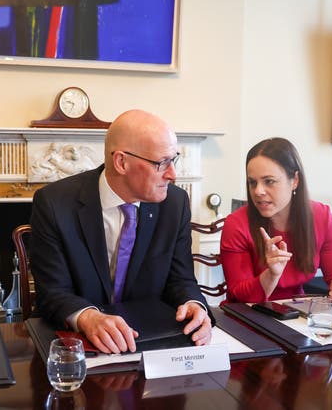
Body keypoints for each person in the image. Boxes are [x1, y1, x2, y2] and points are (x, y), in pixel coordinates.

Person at [29, 109, 213, 354]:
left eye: (174, 159)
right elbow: (52, 292)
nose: (173, 175)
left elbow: (181, 279)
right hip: (75, 348)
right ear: (121, 162)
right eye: (162, 163)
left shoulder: (175, 204)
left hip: (147, 343)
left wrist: (193, 304)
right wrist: (87, 317)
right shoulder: (54, 203)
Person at [220, 137, 332, 303]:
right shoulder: (236, 224)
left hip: (296, 312)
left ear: (295, 181)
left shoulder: (321, 216)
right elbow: (241, 296)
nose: (258, 191)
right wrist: (272, 274)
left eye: (269, 181)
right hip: (246, 316)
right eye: (252, 182)